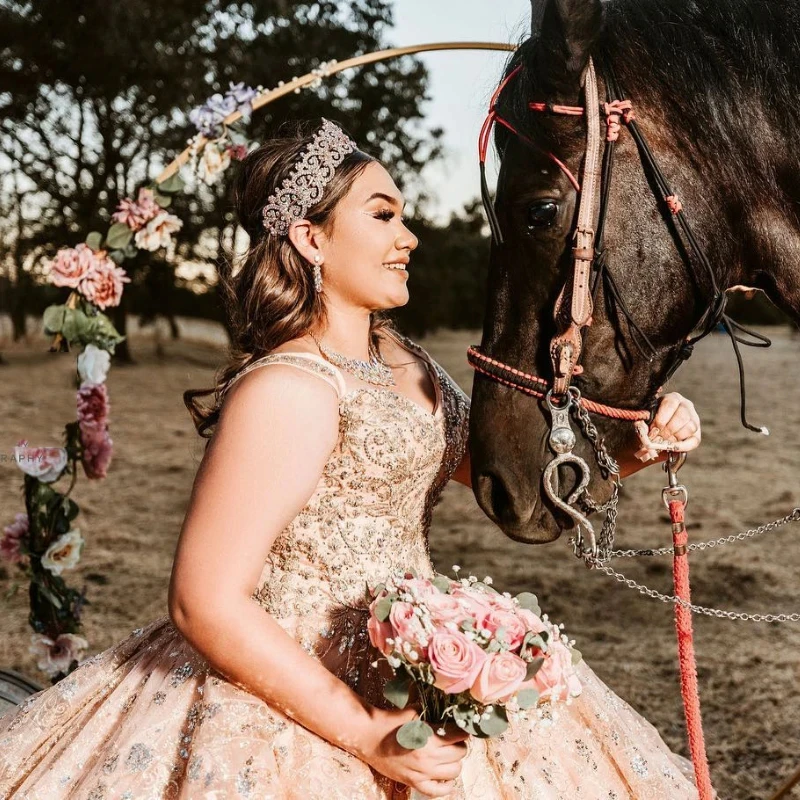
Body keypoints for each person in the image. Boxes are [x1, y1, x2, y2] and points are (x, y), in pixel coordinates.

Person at [0, 118, 703, 799]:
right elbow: (203, 599)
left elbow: (501, 481)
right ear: (311, 237)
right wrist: (365, 733)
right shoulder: (287, 389)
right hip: (292, 691)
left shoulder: (405, 361)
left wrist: (636, 448)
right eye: (383, 215)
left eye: (403, 216)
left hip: (416, 666)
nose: (410, 237)